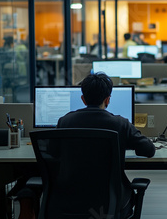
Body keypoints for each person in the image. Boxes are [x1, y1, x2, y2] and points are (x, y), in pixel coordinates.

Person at [57, 72, 155, 217]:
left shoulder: (64, 122)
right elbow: (149, 150)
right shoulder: (120, 123)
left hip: (70, 200)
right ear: (108, 100)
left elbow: (54, 153)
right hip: (110, 201)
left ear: (83, 99)